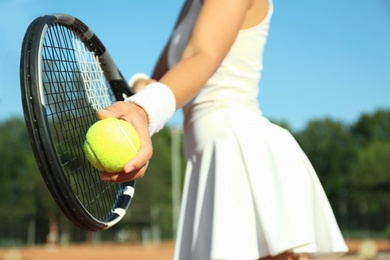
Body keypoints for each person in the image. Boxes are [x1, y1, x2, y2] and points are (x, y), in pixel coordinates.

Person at [98, 0, 349, 259]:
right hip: (208, 152)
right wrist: (140, 84)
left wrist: (144, 109)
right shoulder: (189, 5)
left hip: (239, 148)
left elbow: (202, 55)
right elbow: (164, 80)